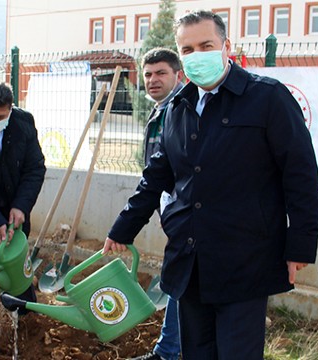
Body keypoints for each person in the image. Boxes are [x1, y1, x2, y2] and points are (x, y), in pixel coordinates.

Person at [103, 10, 318, 360]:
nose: (196, 55)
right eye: (187, 49)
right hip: (190, 261)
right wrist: (123, 228)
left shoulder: (267, 99)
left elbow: (301, 175)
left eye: (206, 45)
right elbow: (158, 175)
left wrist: (301, 244)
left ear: (226, 46)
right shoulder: (177, 107)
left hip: (244, 260)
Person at [0, 80, 46, 352]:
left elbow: (34, 168)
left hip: (14, 210)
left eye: (1, 116)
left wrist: (21, 205)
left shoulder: (23, 123)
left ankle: (25, 318)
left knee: (18, 265)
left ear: (11, 109)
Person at [132, 48, 184, 360]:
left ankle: (168, 351)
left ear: (178, 75)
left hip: (188, 212)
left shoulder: (181, 109)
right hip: (172, 212)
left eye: (161, 73)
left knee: (181, 280)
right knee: (181, 280)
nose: (153, 80)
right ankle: (170, 349)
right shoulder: (160, 111)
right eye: (148, 74)